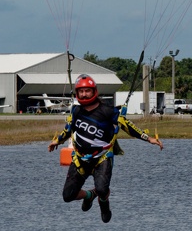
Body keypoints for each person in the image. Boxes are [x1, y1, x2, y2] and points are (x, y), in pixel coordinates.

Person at [48, 74, 164, 223]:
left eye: (87, 91)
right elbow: (68, 129)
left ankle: (104, 203)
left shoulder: (108, 111)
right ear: (77, 93)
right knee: (68, 195)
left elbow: (127, 126)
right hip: (79, 158)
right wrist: (56, 141)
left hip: (101, 158)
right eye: (81, 91)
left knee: (103, 189)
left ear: (94, 91)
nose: (84, 94)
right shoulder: (76, 111)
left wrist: (149, 139)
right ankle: (90, 196)